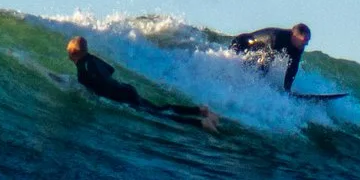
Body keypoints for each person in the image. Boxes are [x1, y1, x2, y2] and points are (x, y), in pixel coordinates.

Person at [64, 36, 218, 130]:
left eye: (69, 54)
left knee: (159, 116)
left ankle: (202, 124)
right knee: (161, 108)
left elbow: (88, 84)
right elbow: (109, 70)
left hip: (121, 96)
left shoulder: (82, 66)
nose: (69, 57)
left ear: (74, 53)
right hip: (126, 89)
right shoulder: (92, 58)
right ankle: (200, 110)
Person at [231, 22, 311, 93]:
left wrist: (287, 90)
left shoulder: (299, 47)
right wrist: (258, 85)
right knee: (246, 66)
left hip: (256, 50)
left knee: (251, 65)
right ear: (294, 36)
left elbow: (292, 68)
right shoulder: (277, 38)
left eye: (308, 40)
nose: (306, 43)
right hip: (241, 44)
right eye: (305, 40)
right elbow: (266, 63)